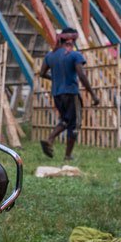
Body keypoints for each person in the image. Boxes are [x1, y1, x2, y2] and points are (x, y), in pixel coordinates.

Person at [38, 27, 98, 160]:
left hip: (57, 94)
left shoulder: (50, 56)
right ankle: (64, 152)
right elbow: (81, 75)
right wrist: (93, 94)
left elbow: (42, 73)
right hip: (71, 93)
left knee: (66, 120)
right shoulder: (74, 55)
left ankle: (52, 142)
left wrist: (55, 78)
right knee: (74, 123)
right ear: (72, 39)